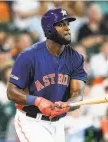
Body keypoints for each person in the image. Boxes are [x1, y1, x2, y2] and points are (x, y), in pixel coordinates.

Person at [7, 8, 87, 142]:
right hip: (31, 121)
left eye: (68, 23)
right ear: (49, 29)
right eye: (61, 24)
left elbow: (77, 95)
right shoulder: (29, 56)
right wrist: (38, 101)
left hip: (58, 123)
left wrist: (68, 104)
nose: (67, 28)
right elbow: (11, 92)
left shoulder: (76, 58)